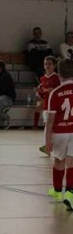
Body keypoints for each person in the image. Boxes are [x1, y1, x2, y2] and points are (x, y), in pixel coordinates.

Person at [45, 58, 73, 210]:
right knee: (72, 162)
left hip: (60, 132)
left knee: (59, 161)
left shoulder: (55, 92)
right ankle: (70, 192)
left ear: (59, 74)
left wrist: (47, 140)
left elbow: (50, 120)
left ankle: (57, 191)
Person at [35, 56, 60, 156]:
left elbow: (58, 91)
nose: (47, 66)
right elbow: (43, 93)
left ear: (54, 65)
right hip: (46, 105)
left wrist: (49, 90)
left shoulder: (57, 77)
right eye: (45, 64)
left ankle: (48, 146)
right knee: (48, 126)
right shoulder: (43, 78)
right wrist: (39, 93)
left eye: (49, 64)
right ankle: (48, 146)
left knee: (49, 126)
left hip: (54, 106)